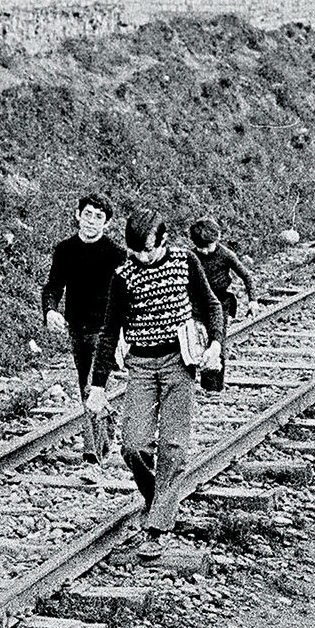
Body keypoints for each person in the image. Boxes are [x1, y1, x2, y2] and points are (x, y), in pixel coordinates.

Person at [88, 210, 225, 559]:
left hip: (179, 362)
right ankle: (159, 499)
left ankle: (157, 526)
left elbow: (211, 304)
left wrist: (216, 344)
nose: (142, 258)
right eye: (135, 252)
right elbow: (108, 334)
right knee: (134, 446)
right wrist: (98, 386)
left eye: (148, 250)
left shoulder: (185, 262)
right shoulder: (124, 276)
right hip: (142, 365)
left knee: (173, 446)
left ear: (164, 241)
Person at [42, 193, 127, 470]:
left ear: (108, 223)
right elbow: (53, 286)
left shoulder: (115, 254)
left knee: (93, 386)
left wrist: (124, 333)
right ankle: (106, 428)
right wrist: (51, 309)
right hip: (76, 328)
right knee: (85, 388)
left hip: (105, 331)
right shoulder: (65, 250)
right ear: (78, 214)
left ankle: (92, 455)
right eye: (87, 214)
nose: (91, 221)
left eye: (99, 217)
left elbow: (127, 295)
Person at [188, 217, 258, 392]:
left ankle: (214, 387)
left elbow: (246, 276)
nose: (204, 252)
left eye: (208, 246)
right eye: (200, 247)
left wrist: (253, 301)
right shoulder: (191, 256)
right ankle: (195, 383)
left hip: (220, 303)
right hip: (197, 303)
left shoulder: (225, 254)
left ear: (216, 239)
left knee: (216, 339)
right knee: (196, 340)